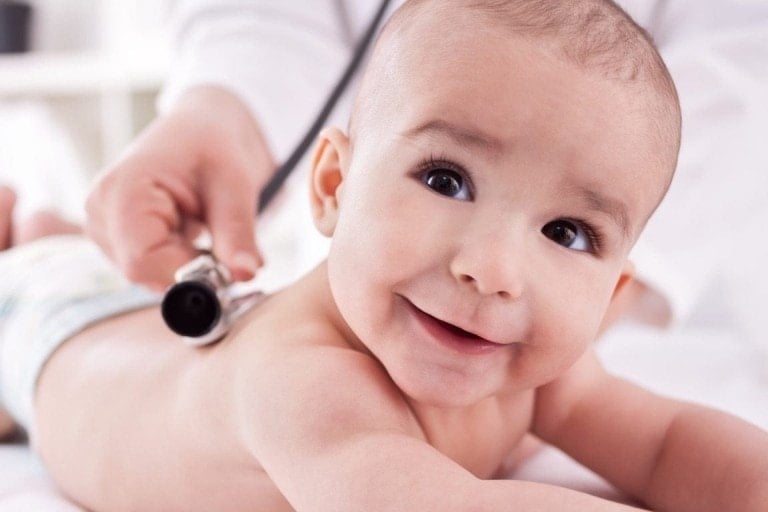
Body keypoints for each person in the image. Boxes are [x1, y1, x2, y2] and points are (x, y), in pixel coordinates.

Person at [0, 1, 766, 510]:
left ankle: (43, 229)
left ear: (613, 289)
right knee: (38, 266)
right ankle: (35, 229)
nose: (493, 270)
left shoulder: (535, 370)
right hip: (43, 337)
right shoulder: (303, 386)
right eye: (447, 179)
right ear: (333, 184)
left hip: (148, 322)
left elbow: (669, 444)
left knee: (65, 254)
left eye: (566, 233)